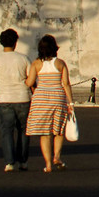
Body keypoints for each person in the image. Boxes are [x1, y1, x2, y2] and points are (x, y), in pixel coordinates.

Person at [24, 34, 74, 172]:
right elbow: (66, 84)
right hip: (58, 97)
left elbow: (29, 82)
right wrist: (70, 103)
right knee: (58, 130)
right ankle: (57, 156)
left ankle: (48, 164)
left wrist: (24, 80)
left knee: (45, 133)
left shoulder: (36, 64)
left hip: (40, 99)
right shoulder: (60, 63)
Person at [0, 28, 32, 172]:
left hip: (5, 98)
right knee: (24, 130)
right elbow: (31, 79)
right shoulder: (23, 58)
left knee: (7, 130)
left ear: (1, 42)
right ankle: (23, 161)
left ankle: (9, 162)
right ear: (15, 43)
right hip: (23, 97)